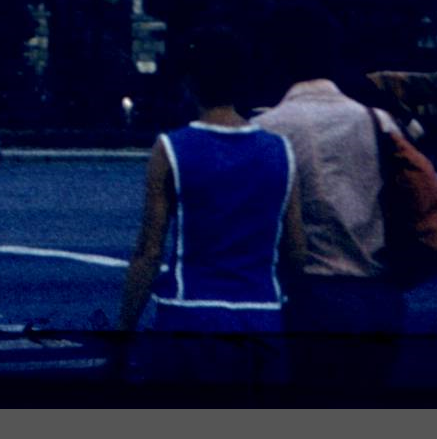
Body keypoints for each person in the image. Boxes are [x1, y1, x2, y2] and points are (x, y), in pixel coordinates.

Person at [115, 26, 304, 387]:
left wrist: (122, 336)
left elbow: (148, 252)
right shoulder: (281, 152)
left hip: (191, 318)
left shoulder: (171, 149)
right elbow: (296, 252)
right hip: (262, 318)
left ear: (191, 83)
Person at [252, 4, 408, 394]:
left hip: (307, 300)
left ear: (280, 59)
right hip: (380, 298)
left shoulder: (265, 130)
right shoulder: (378, 122)